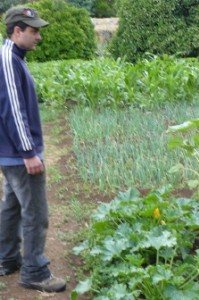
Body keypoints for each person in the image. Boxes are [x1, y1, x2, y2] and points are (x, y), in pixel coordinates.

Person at [0, 6, 66, 293]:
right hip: (18, 154)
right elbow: (12, 110)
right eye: (34, 30)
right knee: (36, 212)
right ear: (17, 31)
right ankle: (35, 270)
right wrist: (29, 152)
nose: (38, 36)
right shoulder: (8, 60)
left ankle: (7, 259)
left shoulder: (13, 57)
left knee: (12, 206)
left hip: (11, 152)